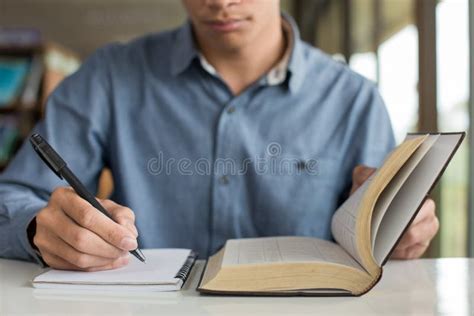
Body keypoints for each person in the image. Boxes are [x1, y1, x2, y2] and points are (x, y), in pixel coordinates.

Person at [0, 0, 439, 271]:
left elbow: (380, 233)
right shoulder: (110, 77)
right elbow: (13, 195)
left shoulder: (355, 100)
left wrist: (398, 233)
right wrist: (40, 227)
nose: (220, 1)